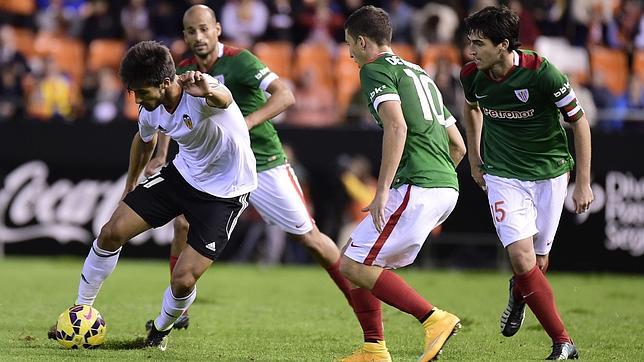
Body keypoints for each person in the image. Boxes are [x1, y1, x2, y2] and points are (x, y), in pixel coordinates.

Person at [144, 4, 354, 329]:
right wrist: (160, 154)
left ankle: (360, 298)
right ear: (184, 35)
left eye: (203, 28)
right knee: (182, 224)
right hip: (215, 168)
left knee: (311, 239)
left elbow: (285, 95)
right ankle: (179, 309)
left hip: (263, 162)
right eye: (190, 31)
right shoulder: (183, 68)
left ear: (217, 28)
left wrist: (242, 123)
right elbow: (166, 113)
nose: (198, 36)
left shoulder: (240, 60)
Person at [48, 40, 257, 350]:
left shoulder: (200, 89)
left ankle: (160, 328)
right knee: (110, 232)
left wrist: (210, 90)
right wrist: (129, 186)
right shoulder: (150, 106)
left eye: (141, 91)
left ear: (164, 82)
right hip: (182, 175)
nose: (137, 99)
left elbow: (225, 99)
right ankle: (81, 310)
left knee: (183, 280)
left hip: (226, 193)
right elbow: (144, 141)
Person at [460, 6, 593, 360]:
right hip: (503, 176)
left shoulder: (543, 74)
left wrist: (583, 182)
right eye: (470, 42)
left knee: (538, 263)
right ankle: (563, 341)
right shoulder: (472, 75)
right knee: (521, 258)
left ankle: (519, 294)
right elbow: (471, 108)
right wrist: (475, 159)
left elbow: (579, 123)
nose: (471, 50)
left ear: (503, 45)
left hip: (550, 173)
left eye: (479, 43)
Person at [339, 6, 466, 362]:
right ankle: (373, 348)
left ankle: (433, 319)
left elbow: (397, 126)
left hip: (418, 185)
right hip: (444, 184)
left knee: (352, 266)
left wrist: (382, 191)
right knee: (355, 256)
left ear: (362, 42)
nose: (350, 54)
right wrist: (439, 185)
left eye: (351, 45)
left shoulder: (374, 69)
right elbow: (459, 145)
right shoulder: (419, 72)